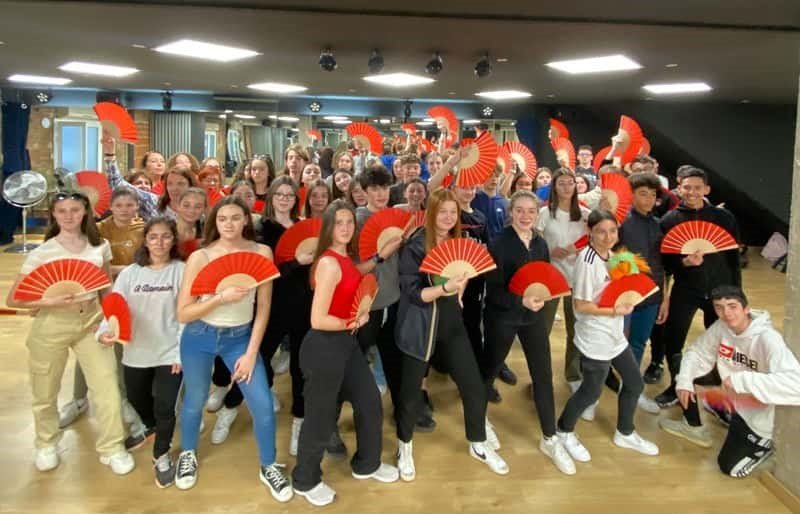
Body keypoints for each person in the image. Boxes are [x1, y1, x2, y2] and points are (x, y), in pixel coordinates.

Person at [5, 191, 135, 475]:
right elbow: (13, 299)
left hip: (91, 322)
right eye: (62, 211)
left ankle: (112, 447)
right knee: (45, 388)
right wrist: (48, 302)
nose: (69, 216)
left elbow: (105, 287)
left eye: (75, 210)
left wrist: (110, 320)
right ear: (53, 214)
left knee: (107, 386)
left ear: (85, 212)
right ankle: (46, 443)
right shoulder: (42, 252)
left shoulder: (100, 246)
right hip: (52, 325)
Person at [174, 196, 292, 501]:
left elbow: (263, 308)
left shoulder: (262, 252)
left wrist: (251, 353)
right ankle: (188, 453)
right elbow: (183, 313)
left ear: (246, 221)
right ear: (214, 222)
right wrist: (219, 298)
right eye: (222, 218)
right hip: (199, 336)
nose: (229, 224)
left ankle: (268, 465)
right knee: (195, 399)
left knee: (262, 404)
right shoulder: (201, 256)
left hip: (240, 338)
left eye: (235, 217)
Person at [394, 188, 508, 482]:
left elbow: (463, 274)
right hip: (420, 326)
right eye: (442, 211)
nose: (447, 217)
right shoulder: (415, 246)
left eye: (452, 212)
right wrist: (444, 289)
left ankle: (478, 443)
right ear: (431, 213)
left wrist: (459, 290)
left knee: (474, 386)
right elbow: (414, 294)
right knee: (409, 394)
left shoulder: (460, 242)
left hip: (452, 324)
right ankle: (404, 447)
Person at [292, 200, 399, 506]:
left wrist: (380, 255)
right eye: (339, 222)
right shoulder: (328, 263)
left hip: (345, 344)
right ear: (328, 227)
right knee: (320, 417)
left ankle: (367, 464)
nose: (346, 227)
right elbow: (317, 319)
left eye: (350, 222)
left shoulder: (344, 258)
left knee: (370, 401)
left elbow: (354, 272)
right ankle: (305, 480)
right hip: (324, 346)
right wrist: (352, 322)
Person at [659, 286, 800, 477]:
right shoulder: (721, 326)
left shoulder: (768, 339)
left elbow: (796, 384)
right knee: (682, 364)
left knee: (729, 467)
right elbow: (697, 352)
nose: (726, 313)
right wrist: (684, 381)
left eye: (732, 306)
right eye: (719, 307)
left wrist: (742, 380)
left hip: (758, 408)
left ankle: (764, 443)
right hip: (733, 393)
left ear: (746, 309)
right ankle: (697, 424)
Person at [556, 209, 660, 464]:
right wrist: (616, 310)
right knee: (590, 392)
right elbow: (580, 305)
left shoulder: (614, 256)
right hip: (595, 337)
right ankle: (563, 430)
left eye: (612, 231)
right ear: (590, 232)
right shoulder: (587, 261)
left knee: (634, 383)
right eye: (601, 231)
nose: (608, 236)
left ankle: (625, 432)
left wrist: (624, 303)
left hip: (614, 335)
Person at [482, 190, 575, 474]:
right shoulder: (499, 243)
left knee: (543, 374)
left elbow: (543, 278)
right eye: (519, 210)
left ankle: (549, 437)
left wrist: (541, 298)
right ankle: (479, 422)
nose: (525, 216)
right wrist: (520, 300)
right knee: (489, 370)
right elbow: (493, 291)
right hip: (502, 317)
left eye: (531, 211)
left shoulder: (540, 243)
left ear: (537, 214)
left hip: (533, 317)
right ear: (511, 212)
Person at [97, 216, 184, 488]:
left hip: (170, 352)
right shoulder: (130, 274)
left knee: (165, 406)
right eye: (153, 237)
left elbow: (186, 316)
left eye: (166, 236)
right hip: (136, 351)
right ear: (145, 241)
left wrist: (181, 353)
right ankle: (149, 426)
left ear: (173, 240)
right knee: (136, 398)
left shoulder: (181, 271)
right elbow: (114, 308)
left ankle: (161, 454)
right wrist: (104, 331)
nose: (159, 242)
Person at [655, 166, 741, 408]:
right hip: (686, 289)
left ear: (707, 189)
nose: (692, 192)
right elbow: (666, 263)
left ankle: (717, 385)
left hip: (720, 290)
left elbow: (734, 259)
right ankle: (676, 384)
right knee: (673, 337)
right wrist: (684, 262)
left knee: (722, 341)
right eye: (687, 187)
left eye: (697, 188)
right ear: (679, 189)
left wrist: (737, 295)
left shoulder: (724, 218)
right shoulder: (669, 221)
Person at [617, 173, 667, 414]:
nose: (648, 199)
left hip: (652, 294)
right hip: (623, 293)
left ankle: (631, 389)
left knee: (638, 342)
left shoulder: (659, 225)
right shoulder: (621, 223)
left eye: (652, 194)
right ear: (632, 195)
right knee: (614, 342)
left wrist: (664, 298)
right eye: (643, 193)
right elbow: (611, 258)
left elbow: (663, 266)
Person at [537, 169, 590, 397]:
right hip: (550, 277)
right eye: (562, 183)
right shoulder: (545, 213)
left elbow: (595, 238)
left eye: (571, 183)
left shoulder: (585, 214)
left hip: (578, 278)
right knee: (542, 329)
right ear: (554, 187)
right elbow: (536, 242)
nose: (567, 187)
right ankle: (540, 375)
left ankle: (573, 374)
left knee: (575, 328)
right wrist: (550, 251)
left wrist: (575, 249)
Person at [470, 166, 508, 243]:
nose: (494, 179)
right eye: (490, 175)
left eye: (497, 176)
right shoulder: (472, 199)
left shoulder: (504, 203)